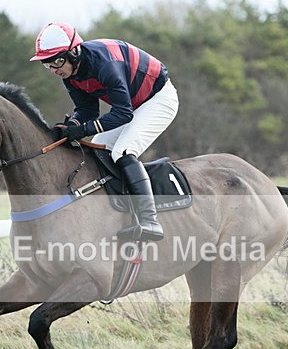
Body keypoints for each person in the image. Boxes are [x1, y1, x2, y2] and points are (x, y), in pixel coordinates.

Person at [30, 22, 179, 242]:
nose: (54, 69)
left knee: (123, 151)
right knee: (99, 150)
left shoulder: (105, 65)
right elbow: (87, 110)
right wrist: (72, 125)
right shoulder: (70, 74)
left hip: (158, 99)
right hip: (132, 104)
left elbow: (123, 114)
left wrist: (83, 130)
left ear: (74, 52)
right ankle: (115, 213)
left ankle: (149, 221)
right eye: (47, 64)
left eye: (57, 61)